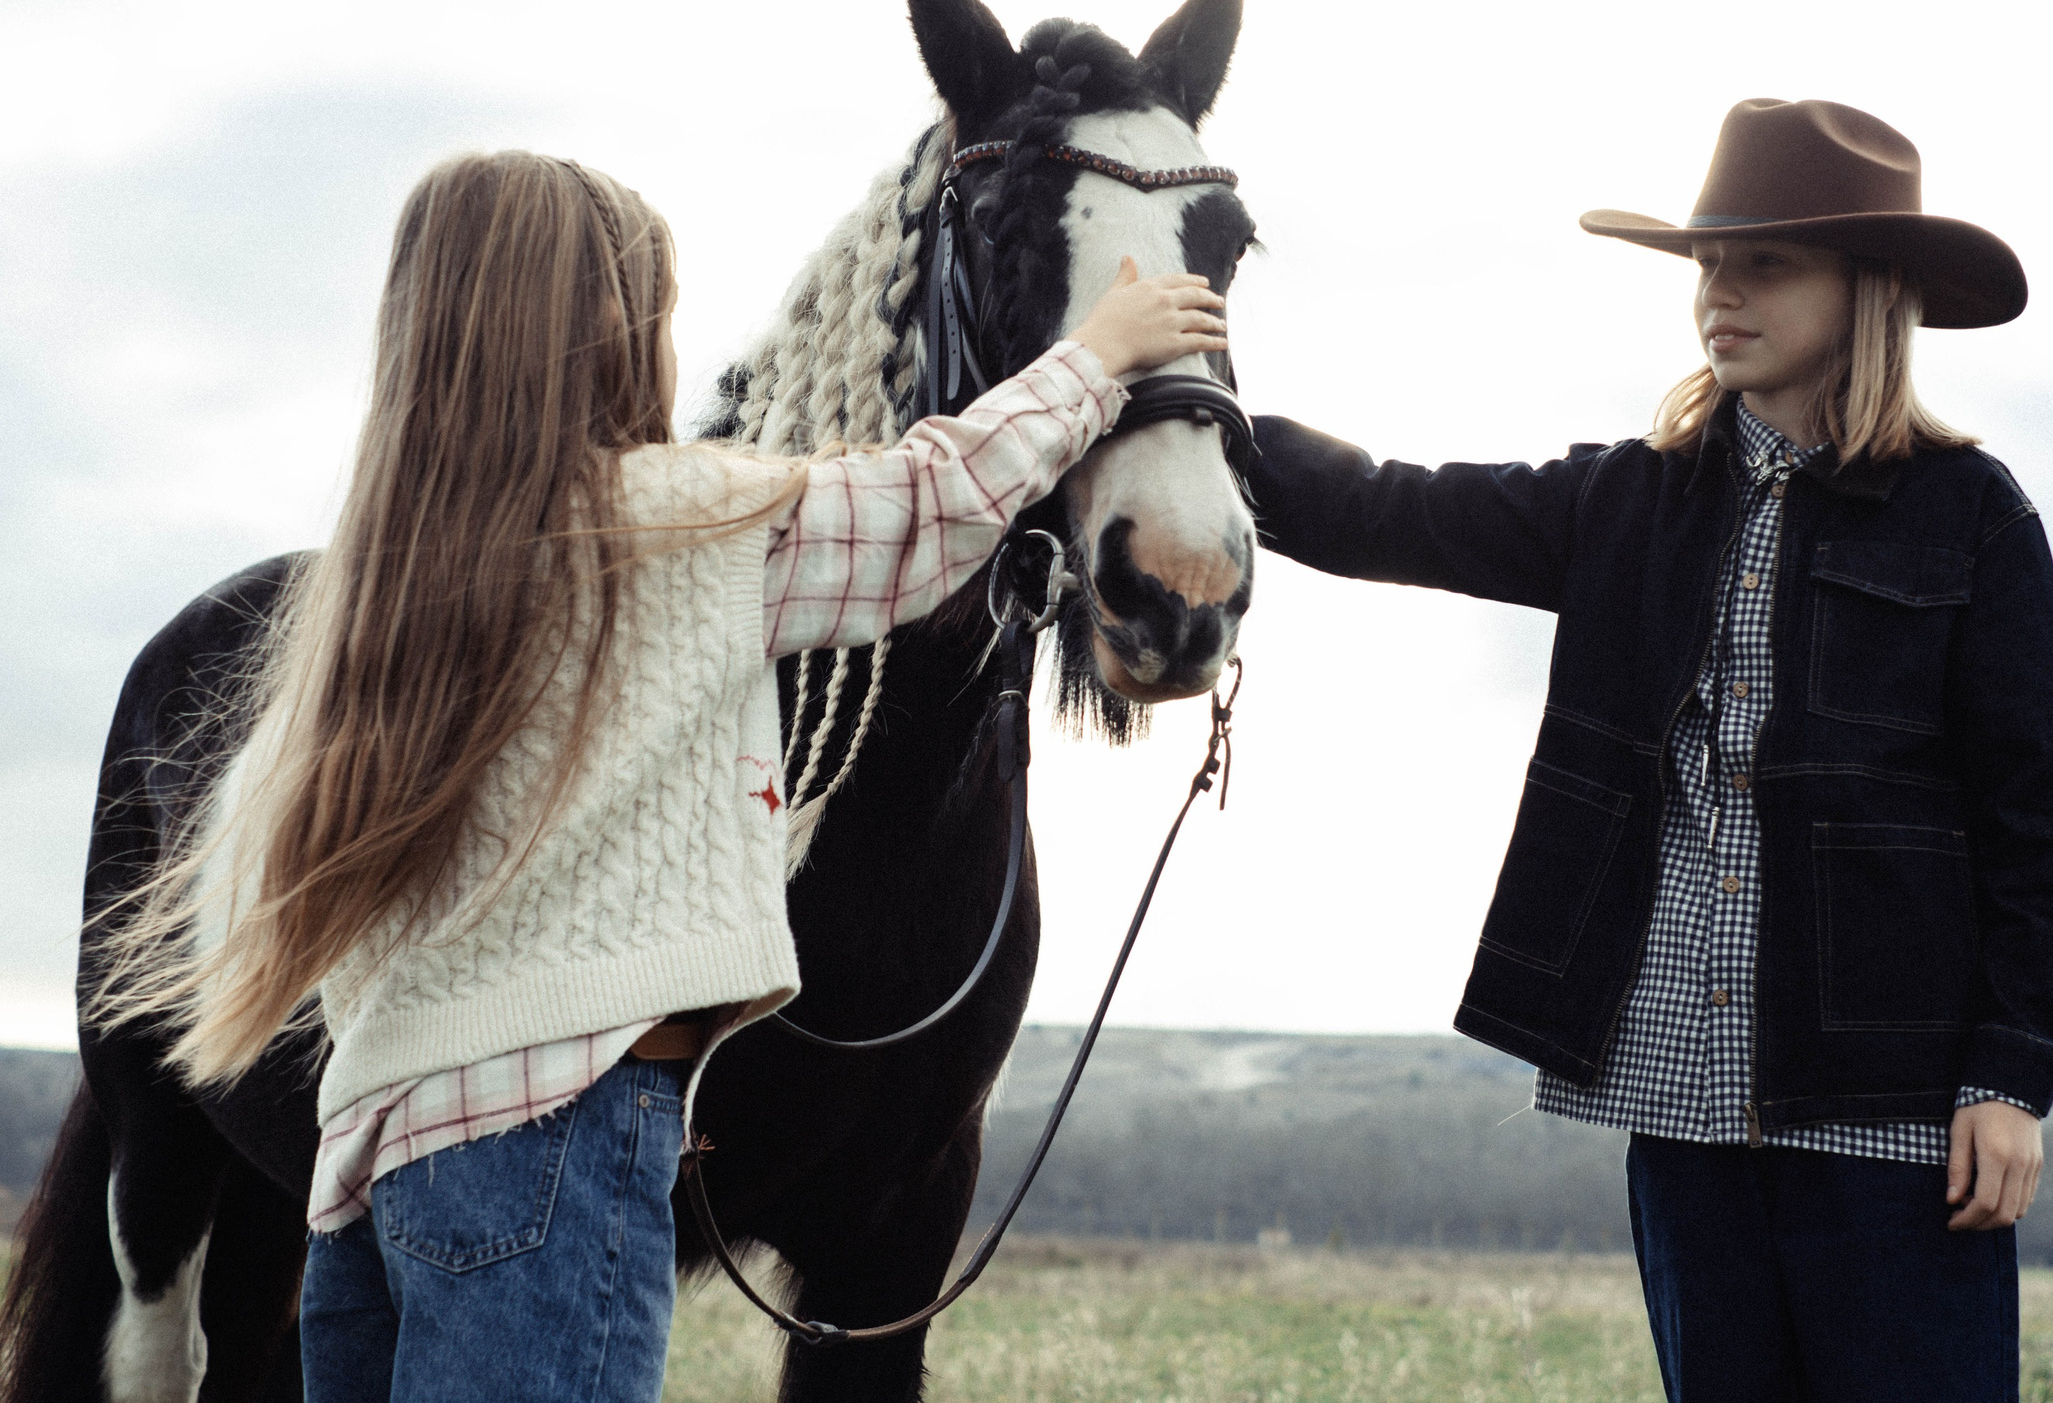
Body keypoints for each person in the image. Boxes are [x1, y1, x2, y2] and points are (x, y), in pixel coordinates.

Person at [85, 150, 1228, 1401]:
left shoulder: (387, 585)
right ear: (608, 338)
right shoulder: (676, 529)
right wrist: (1094, 358)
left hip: (372, 1165)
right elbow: (924, 507)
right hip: (556, 1159)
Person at [1248, 99, 2053, 1400]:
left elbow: (2046, 828)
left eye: (1763, 261)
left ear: (1864, 283)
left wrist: (2011, 1074)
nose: (1721, 289)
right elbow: (1391, 508)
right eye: (1710, 261)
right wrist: (1172, 409)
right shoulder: (1627, 501)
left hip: (1892, 1110)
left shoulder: (1971, 517)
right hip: (1680, 1104)